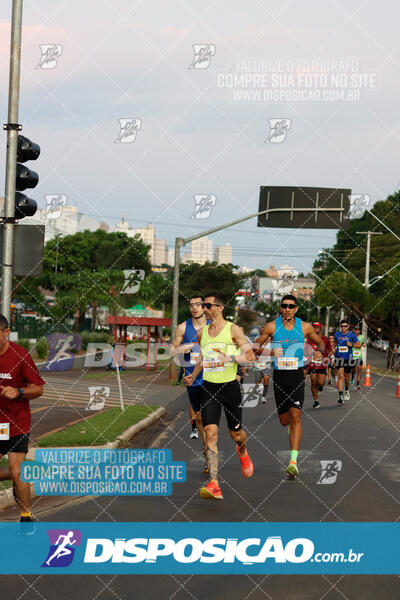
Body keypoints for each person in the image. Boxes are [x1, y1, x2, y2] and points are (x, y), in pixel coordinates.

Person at [185, 292, 255, 500]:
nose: (204, 309)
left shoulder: (233, 330)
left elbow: (250, 356)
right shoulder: (202, 333)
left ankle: (242, 450)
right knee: (210, 433)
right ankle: (214, 482)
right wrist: (193, 376)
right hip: (209, 388)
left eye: (207, 305)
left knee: (237, 435)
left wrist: (232, 356)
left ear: (220, 307)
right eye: (202, 305)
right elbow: (203, 359)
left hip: (230, 388)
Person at [255, 295, 324, 478]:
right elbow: (254, 348)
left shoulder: (305, 327)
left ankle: (293, 462)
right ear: (280, 308)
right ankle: (290, 427)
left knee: (296, 415)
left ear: (296, 309)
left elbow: (321, 343)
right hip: (279, 377)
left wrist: (318, 352)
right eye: (284, 306)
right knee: (285, 421)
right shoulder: (271, 326)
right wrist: (269, 351)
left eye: (291, 306)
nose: (287, 309)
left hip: (297, 375)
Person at [0, 315, 45, 528]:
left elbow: (38, 388)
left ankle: (25, 516)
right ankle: (20, 481)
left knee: (17, 469)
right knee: (15, 471)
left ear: (5, 332)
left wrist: (18, 391)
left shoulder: (20, 355)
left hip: (17, 422)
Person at [171, 296, 208, 444]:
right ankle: (203, 440)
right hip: (192, 376)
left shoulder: (213, 326)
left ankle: (210, 445)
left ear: (204, 306)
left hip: (211, 375)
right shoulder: (183, 327)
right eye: (191, 305)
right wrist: (182, 348)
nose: (194, 308)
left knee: (209, 415)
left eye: (198, 304)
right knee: (198, 414)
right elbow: (172, 350)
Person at [333, 319, 361, 404]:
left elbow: (359, 345)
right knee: (341, 375)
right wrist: (333, 349)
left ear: (348, 326)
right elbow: (334, 343)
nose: (343, 328)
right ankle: (340, 396)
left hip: (348, 358)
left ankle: (346, 389)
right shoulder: (337, 334)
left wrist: (351, 345)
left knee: (347, 377)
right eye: (342, 326)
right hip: (339, 357)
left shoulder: (352, 335)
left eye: (345, 326)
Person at [306, 322, 331, 409]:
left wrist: (328, 355)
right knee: (313, 382)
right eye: (314, 327)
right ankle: (316, 401)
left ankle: (320, 388)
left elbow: (329, 350)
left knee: (321, 382)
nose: (315, 328)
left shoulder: (325, 339)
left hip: (322, 365)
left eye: (317, 327)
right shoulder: (310, 339)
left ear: (320, 329)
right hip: (312, 364)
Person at [351, 324, 365, 390]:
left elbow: (363, 343)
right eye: (355, 329)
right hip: (353, 356)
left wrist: (363, 344)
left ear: (359, 331)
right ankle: (352, 377)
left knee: (359, 369)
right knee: (353, 370)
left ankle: (358, 384)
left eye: (358, 330)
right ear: (354, 330)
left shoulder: (362, 337)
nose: (357, 331)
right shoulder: (351, 336)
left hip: (359, 356)